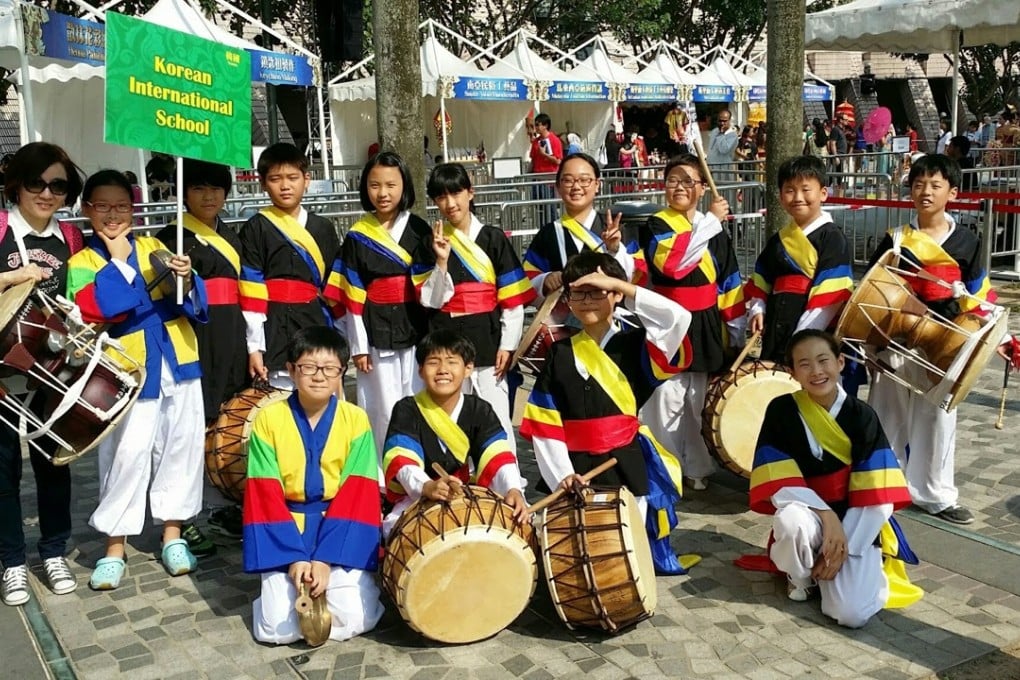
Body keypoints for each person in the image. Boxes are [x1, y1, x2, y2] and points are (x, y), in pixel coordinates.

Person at [68, 170, 208, 590]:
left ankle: (172, 534)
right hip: (127, 370)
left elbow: (190, 304)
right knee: (125, 454)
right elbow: (110, 307)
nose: (114, 215)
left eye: (122, 207)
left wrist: (186, 276)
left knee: (181, 446)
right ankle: (115, 545)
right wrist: (116, 256)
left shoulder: (158, 246)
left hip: (178, 358)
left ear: (135, 208)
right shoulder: (82, 263)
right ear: (87, 209)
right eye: (104, 207)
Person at [519, 251, 697, 575]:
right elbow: (545, 421)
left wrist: (620, 284)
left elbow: (678, 318)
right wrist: (562, 475)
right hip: (573, 466)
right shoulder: (559, 351)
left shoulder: (638, 344)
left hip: (625, 461)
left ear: (616, 295)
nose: (586, 300)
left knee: (628, 550)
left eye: (597, 291)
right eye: (578, 292)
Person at [866, 154, 1012, 525]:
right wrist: (869, 346)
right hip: (895, 340)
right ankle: (883, 485)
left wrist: (1003, 339)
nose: (925, 192)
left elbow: (981, 296)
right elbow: (871, 293)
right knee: (887, 415)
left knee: (938, 419)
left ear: (952, 192)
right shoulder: (894, 240)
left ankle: (935, 494)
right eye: (918, 184)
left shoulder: (966, 241)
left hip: (945, 343)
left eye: (935, 185)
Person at [745, 329, 922, 627]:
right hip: (809, 512)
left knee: (850, 615)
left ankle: (847, 565)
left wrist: (843, 549)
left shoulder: (862, 415)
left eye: (823, 360)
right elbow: (778, 481)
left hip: (857, 520)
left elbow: (878, 494)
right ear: (792, 372)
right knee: (791, 522)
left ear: (840, 362)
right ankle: (801, 576)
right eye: (804, 364)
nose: (816, 371)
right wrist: (827, 517)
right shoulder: (781, 411)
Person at [242, 326, 384, 645]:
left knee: (354, 617)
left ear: (341, 374)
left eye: (330, 368)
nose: (319, 376)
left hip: (337, 526)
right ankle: (274, 589)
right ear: (292, 370)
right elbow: (264, 494)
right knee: (277, 630)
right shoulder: (269, 419)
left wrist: (324, 559)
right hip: (285, 527)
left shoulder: (356, 419)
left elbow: (357, 493)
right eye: (308, 367)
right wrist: (295, 558)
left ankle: (345, 582)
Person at [0, 142, 84, 606]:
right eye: (37, 183)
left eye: (58, 185)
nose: (47, 193)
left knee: (53, 466)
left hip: (52, 371)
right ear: (18, 184)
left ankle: (53, 551)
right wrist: (12, 278)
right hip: (0, 371)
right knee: (2, 472)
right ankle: (12, 561)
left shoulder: (69, 238)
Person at [638, 155, 745, 492]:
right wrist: (711, 221)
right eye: (673, 179)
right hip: (667, 320)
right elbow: (673, 265)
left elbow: (729, 280)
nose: (680, 186)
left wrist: (736, 328)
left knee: (698, 397)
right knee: (666, 397)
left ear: (702, 187)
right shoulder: (656, 225)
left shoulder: (713, 229)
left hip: (705, 321)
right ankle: (664, 466)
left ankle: (698, 466)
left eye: (688, 181)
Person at [155, 160, 247, 549]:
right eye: (198, 188)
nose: (208, 197)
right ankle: (188, 512)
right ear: (183, 192)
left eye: (216, 189)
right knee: (193, 424)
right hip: (194, 336)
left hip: (234, 333)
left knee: (230, 414)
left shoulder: (236, 236)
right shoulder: (169, 237)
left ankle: (225, 499)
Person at [422, 164, 535, 450]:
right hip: (446, 337)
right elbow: (430, 300)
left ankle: (504, 478)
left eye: (456, 193)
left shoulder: (493, 238)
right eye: (441, 197)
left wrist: (507, 346)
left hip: (487, 337)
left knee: (494, 411)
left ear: (470, 193)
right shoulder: (431, 242)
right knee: (448, 412)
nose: (450, 203)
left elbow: (510, 300)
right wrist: (441, 262)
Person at [381, 330, 529, 537]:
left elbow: (498, 455)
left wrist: (512, 489)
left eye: (452, 362)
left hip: (468, 494)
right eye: (433, 362)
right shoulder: (407, 409)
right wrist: (427, 486)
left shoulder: (479, 409)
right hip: (419, 496)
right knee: (395, 532)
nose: (442, 370)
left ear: (468, 368)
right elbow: (402, 458)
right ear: (420, 370)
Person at [336, 152, 432, 454]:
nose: (383, 193)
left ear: (405, 186)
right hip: (375, 332)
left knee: (420, 402)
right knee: (381, 409)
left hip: (416, 327)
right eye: (375, 185)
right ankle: (383, 476)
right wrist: (359, 347)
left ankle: (420, 471)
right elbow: (352, 297)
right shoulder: (356, 236)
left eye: (391, 184)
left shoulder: (419, 230)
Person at [240, 143, 343, 392]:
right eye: (275, 179)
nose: (285, 186)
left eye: (292, 178)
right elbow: (251, 290)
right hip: (274, 326)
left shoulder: (323, 228)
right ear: (263, 183)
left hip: (315, 321)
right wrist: (254, 347)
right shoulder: (256, 227)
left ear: (306, 180)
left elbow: (336, 288)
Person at [745, 156, 853, 363]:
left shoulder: (832, 238)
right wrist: (758, 308)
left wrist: (803, 337)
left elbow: (830, 297)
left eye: (805, 189)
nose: (797, 197)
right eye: (789, 190)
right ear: (780, 196)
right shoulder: (780, 239)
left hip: (812, 332)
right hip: (776, 328)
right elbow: (763, 278)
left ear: (823, 193)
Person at [522, 153, 641, 302]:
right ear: (558, 186)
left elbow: (637, 277)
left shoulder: (618, 229)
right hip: (564, 321)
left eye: (584, 180)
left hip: (611, 319)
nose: (576, 187)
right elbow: (526, 280)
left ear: (598, 184)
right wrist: (544, 281)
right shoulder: (548, 234)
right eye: (568, 180)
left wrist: (615, 250)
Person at [529, 113, 563, 224]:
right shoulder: (535, 141)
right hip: (537, 178)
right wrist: (528, 175)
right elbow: (533, 159)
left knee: (550, 207)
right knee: (539, 207)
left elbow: (558, 161)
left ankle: (555, 226)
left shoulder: (555, 140)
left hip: (549, 180)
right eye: (535, 125)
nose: (536, 127)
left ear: (545, 125)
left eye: (538, 125)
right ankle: (543, 228)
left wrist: (545, 155)